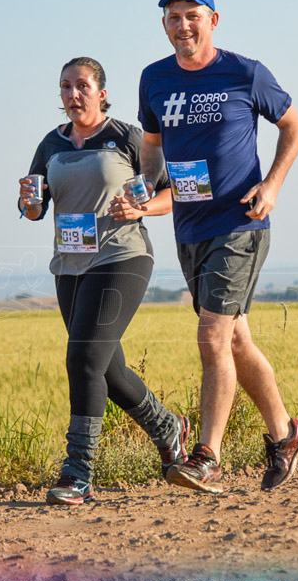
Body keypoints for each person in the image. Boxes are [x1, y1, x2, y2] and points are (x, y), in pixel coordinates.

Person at [120, 0, 298, 493]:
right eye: (173, 17)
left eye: (192, 16)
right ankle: (287, 433)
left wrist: (272, 185)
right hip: (190, 226)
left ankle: (207, 455)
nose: (182, 25)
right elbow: (153, 146)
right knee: (236, 338)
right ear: (164, 25)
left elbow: (293, 126)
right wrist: (146, 189)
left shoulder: (245, 72)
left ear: (213, 20)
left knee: (211, 336)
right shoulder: (154, 79)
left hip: (240, 222)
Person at [19, 56, 189, 505]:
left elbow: (171, 191)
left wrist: (140, 208)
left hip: (121, 256)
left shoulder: (128, 137)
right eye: (65, 87)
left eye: (82, 86)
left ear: (101, 92)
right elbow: (36, 208)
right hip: (70, 265)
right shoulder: (50, 144)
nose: (73, 94)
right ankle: (168, 428)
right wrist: (29, 203)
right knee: (107, 370)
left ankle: (78, 472)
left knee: (83, 362)